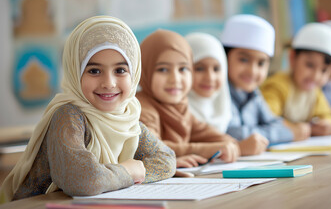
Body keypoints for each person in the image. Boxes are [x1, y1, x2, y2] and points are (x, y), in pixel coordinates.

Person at [0, 16, 176, 203]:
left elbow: (166, 160)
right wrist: (129, 172)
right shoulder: (69, 116)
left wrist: (126, 175)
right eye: (94, 71)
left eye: (120, 70)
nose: (109, 83)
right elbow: (83, 181)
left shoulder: (126, 117)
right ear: (75, 71)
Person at [136, 29, 240, 169]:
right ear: (144, 71)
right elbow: (153, 149)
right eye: (163, 69)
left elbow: (217, 137)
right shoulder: (141, 107)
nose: (175, 79)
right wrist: (209, 149)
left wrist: (229, 145)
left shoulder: (180, 107)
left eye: (183, 69)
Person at [186, 32, 269, 156]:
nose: (210, 77)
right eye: (199, 68)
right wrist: (238, 148)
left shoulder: (222, 103)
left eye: (216, 69)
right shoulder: (177, 108)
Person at [221, 14, 295, 145]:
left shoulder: (254, 94)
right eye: (243, 60)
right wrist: (289, 133)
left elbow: (277, 124)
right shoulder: (218, 92)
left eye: (261, 63)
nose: (252, 71)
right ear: (224, 57)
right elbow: (230, 133)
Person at [261, 22, 331, 137]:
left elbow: (327, 115)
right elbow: (266, 118)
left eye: (323, 70)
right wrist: (292, 129)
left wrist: (327, 124)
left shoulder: (314, 91)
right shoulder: (277, 85)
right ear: (292, 58)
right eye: (310, 65)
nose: (316, 76)